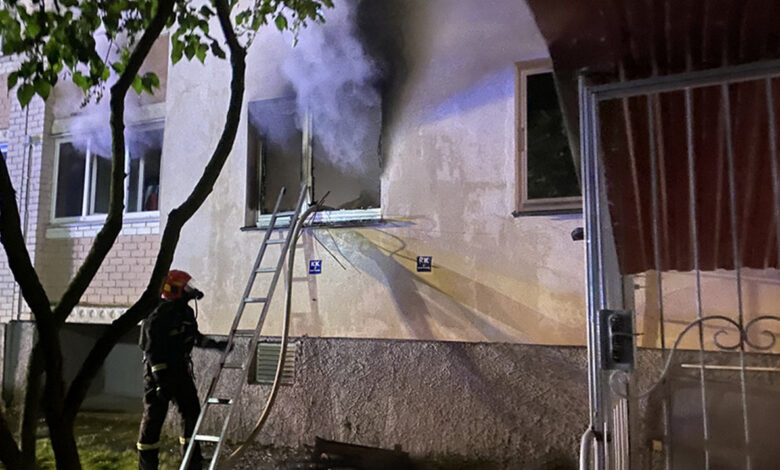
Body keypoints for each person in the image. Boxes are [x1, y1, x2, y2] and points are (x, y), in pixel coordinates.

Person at [137, 269, 229, 470]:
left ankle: (192, 461)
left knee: (192, 412)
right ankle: (147, 466)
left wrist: (216, 345)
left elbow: (194, 337)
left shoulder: (185, 313)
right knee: (154, 418)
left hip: (180, 370)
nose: (190, 289)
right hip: (158, 373)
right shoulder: (158, 315)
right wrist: (160, 382)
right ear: (174, 289)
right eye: (185, 286)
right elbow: (152, 351)